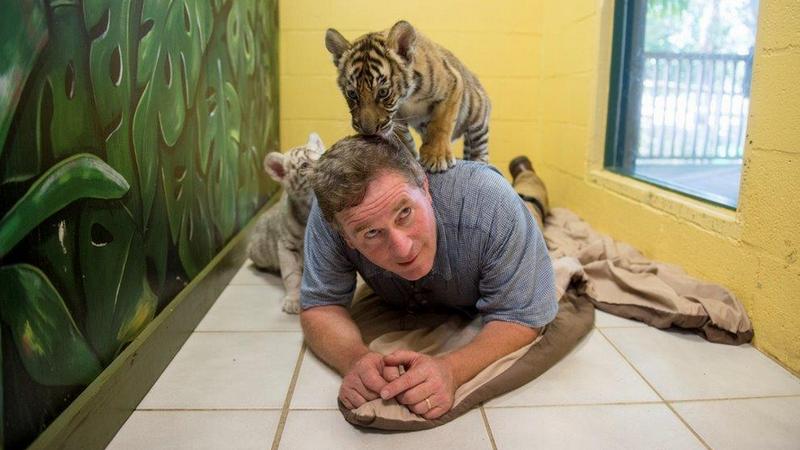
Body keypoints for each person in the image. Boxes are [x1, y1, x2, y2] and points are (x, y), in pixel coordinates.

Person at [299, 135, 557, 420]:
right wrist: (354, 359)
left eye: (405, 212)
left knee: (530, 205)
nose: (402, 248)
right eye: (371, 233)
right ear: (345, 236)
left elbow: (520, 316)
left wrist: (452, 369)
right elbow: (320, 305)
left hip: (512, 209)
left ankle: (526, 175)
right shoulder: (333, 216)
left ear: (425, 186)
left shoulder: (489, 201)